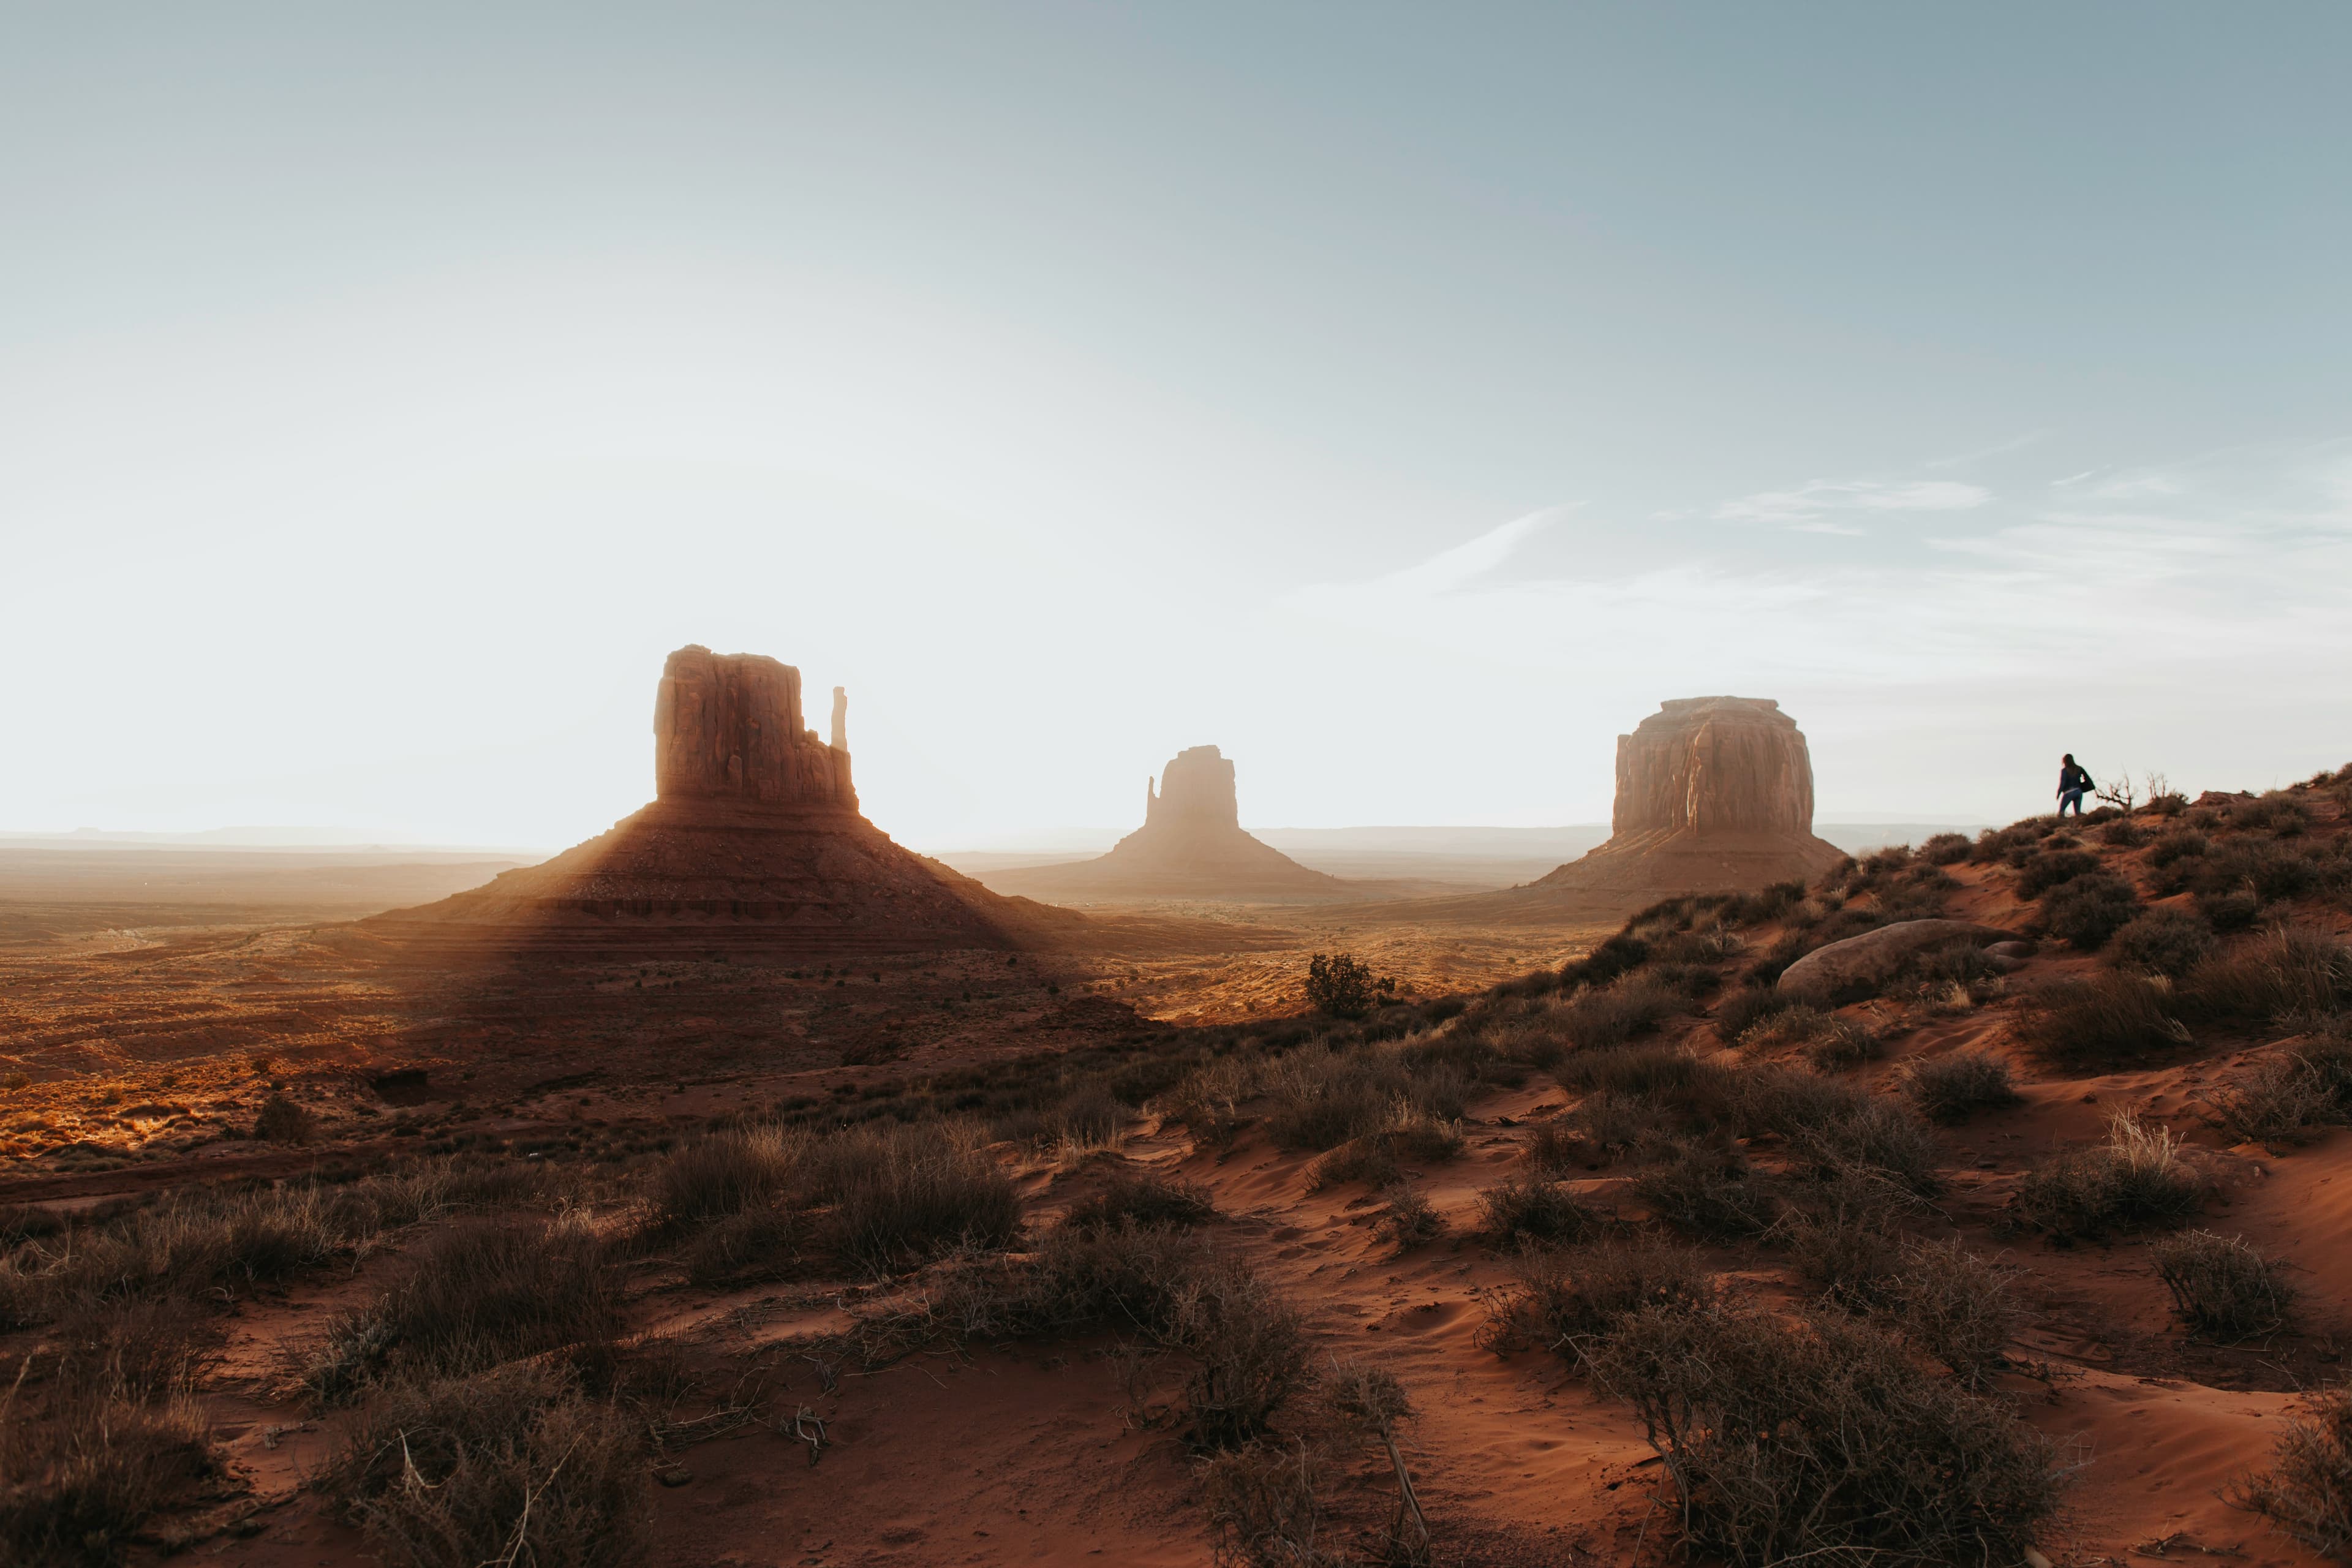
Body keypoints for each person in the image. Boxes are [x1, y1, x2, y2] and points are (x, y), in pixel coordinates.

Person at [2056, 753, 2095, 817]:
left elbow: (2062, 783)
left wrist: (2058, 793)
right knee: (2078, 813)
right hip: (2079, 792)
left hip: (2069, 792)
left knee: (2061, 812)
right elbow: (2088, 779)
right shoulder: (2079, 768)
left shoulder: (2064, 771)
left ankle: (2062, 825)